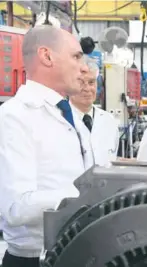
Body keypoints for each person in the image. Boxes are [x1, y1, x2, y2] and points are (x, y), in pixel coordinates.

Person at [0, 25, 89, 267]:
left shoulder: (70, 116)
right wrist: (90, 196)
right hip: (34, 260)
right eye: (76, 56)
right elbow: (16, 208)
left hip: (73, 250)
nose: (84, 67)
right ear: (47, 56)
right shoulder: (15, 117)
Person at [69, 56, 120, 167]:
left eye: (91, 82)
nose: (87, 88)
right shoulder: (60, 120)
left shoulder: (109, 122)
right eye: (81, 82)